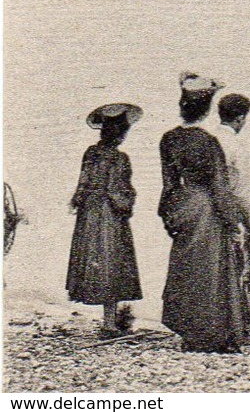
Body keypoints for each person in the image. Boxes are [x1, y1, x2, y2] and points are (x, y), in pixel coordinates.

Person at [158, 74, 247, 353]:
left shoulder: (169, 138)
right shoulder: (209, 142)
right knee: (210, 270)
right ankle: (209, 335)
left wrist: (167, 214)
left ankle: (188, 330)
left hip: (181, 203)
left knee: (186, 267)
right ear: (208, 109)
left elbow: (168, 182)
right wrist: (234, 223)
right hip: (205, 205)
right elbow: (220, 187)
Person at [68, 103, 143, 337]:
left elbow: (82, 185)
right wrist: (128, 201)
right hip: (109, 215)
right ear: (121, 133)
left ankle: (109, 321)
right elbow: (119, 191)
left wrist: (79, 201)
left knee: (94, 262)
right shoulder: (120, 158)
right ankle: (109, 324)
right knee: (112, 263)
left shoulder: (90, 152)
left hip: (89, 214)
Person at [212, 94, 250, 341]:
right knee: (244, 265)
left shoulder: (209, 140)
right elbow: (243, 190)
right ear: (241, 118)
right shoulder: (236, 146)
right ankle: (244, 324)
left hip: (208, 210)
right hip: (232, 210)